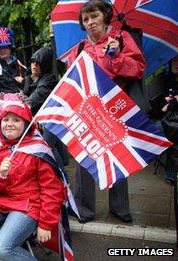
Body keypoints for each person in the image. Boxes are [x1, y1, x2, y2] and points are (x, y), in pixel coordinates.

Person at [66, 0, 146, 223]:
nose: (90, 22)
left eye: (95, 16)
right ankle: (84, 209)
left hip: (114, 109)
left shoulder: (122, 39)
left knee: (117, 156)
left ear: (105, 16)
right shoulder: (79, 49)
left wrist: (118, 57)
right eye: (86, 19)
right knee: (84, 159)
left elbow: (138, 69)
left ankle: (120, 208)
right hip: (88, 110)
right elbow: (71, 80)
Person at [0, 93, 65, 261]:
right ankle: (0, 257)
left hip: (28, 206)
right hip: (1, 202)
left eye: (16, 120)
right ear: (0, 123)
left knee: (3, 247)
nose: (10, 124)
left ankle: (5, 255)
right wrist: (0, 175)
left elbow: (52, 189)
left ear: (25, 124)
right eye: (6, 120)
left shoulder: (38, 149)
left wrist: (46, 224)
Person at [23, 46, 69, 166]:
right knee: (49, 149)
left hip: (53, 120)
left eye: (38, 63)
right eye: (33, 62)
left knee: (46, 147)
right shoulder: (33, 78)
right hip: (44, 120)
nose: (34, 65)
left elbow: (32, 100)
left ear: (45, 65)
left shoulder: (48, 80)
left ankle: (62, 178)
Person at [149, 55, 178, 184]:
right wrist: (168, 104)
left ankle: (171, 174)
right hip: (166, 119)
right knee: (168, 131)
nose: (176, 64)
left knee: (174, 133)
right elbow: (158, 108)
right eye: (174, 60)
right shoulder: (163, 80)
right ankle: (171, 173)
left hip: (173, 122)